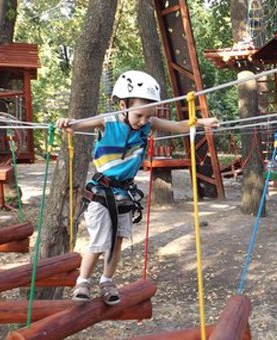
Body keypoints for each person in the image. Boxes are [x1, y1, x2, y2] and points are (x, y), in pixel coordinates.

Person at [55, 70, 219, 305]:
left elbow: (178, 125)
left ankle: (106, 280)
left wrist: (202, 122)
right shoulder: (108, 121)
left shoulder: (148, 124)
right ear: (123, 105)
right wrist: (67, 123)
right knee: (100, 240)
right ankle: (83, 281)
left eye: (148, 116)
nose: (143, 121)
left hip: (124, 193)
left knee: (118, 239)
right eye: (139, 115)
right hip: (102, 192)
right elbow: (78, 125)